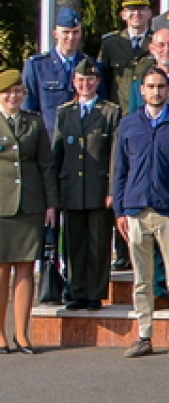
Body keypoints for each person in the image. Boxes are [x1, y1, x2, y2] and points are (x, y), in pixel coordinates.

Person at [112, 68, 169, 358]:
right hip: (136, 209)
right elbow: (120, 170)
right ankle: (144, 335)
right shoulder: (128, 124)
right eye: (150, 86)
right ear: (142, 90)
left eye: (161, 86)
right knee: (142, 279)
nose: (156, 91)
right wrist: (120, 210)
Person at [53, 57, 118, 311]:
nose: (85, 84)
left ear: (98, 82)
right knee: (74, 243)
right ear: (74, 82)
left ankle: (95, 293)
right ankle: (76, 291)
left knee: (98, 243)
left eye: (90, 79)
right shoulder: (64, 112)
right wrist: (55, 192)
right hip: (71, 188)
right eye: (81, 80)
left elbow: (115, 155)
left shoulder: (109, 111)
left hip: (98, 188)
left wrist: (112, 190)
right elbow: (57, 153)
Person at [0, 70, 56, 353]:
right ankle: (0, 334)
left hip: (30, 204)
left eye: (18, 92)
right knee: (1, 270)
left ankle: (21, 333)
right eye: (8, 92)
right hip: (1, 205)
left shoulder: (34, 122)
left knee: (25, 268)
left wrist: (50, 203)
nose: (13, 97)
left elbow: (46, 164)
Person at [23, 6, 89, 117]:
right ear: (55, 34)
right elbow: (28, 110)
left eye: (75, 32)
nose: (71, 37)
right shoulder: (37, 66)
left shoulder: (90, 65)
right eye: (66, 32)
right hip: (50, 128)